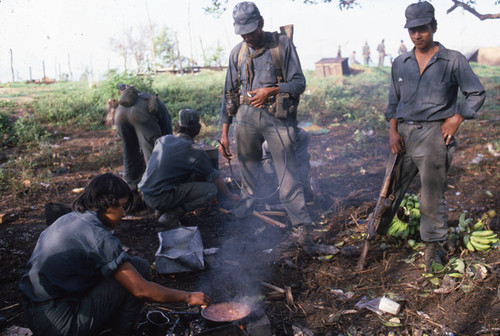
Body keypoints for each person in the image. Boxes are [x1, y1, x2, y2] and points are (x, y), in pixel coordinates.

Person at [19, 173, 209, 336]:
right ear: (106, 203)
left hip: (34, 312)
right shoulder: (98, 237)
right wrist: (188, 297)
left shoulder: (69, 219)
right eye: (122, 206)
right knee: (140, 269)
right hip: (59, 325)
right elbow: (141, 290)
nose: (124, 214)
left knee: (130, 266)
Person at [379, 1, 485, 272]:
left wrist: (457, 118)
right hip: (403, 135)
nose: (417, 35)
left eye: (423, 29)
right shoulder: (399, 63)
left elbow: (476, 93)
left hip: (434, 135)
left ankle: (432, 248)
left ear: (433, 27)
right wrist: (393, 131)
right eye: (412, 30)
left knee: (431, 195)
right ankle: (375, 236)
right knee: (390, 190)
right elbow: (393, 102)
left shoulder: (453, 60)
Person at [219, 1, 312, 228]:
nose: (247, 38)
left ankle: (300, 222)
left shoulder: (282, 45)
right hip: (245, 120)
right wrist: (224, 134)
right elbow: (228, 94)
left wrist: (271, 90)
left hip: (277, 120)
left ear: (260, 23)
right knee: (248, 168)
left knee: (287, 172)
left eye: (251, 32)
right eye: (242, 33)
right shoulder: (237, 53)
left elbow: (299, 83)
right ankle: (246, 215)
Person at [139, 109, 240, 228]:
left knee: (181, 178)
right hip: (161, 197)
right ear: (198, 128)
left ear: (177, 125)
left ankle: (160, 211)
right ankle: (171, 214)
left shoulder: (163, 139)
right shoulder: (194, 151)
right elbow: (215, 178)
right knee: (210, 190)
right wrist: (230, 195)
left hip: (145, 194)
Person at [114, 83, 173, 214]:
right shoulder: (153, 101)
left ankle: (133, 197)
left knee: (130, 154)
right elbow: (167, 134)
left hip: (119, 115)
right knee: (153, 157)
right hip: (142, 116)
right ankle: (155, 200)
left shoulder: (123, 103)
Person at [261, 126, 314, 204]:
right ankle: (272, 195)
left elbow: (300, 157)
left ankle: (307, 198)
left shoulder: (303, 136)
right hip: (274, 160)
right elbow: (264, 157)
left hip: (298, 161)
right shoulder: (269, 143)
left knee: (301, 172)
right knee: (268, 168)